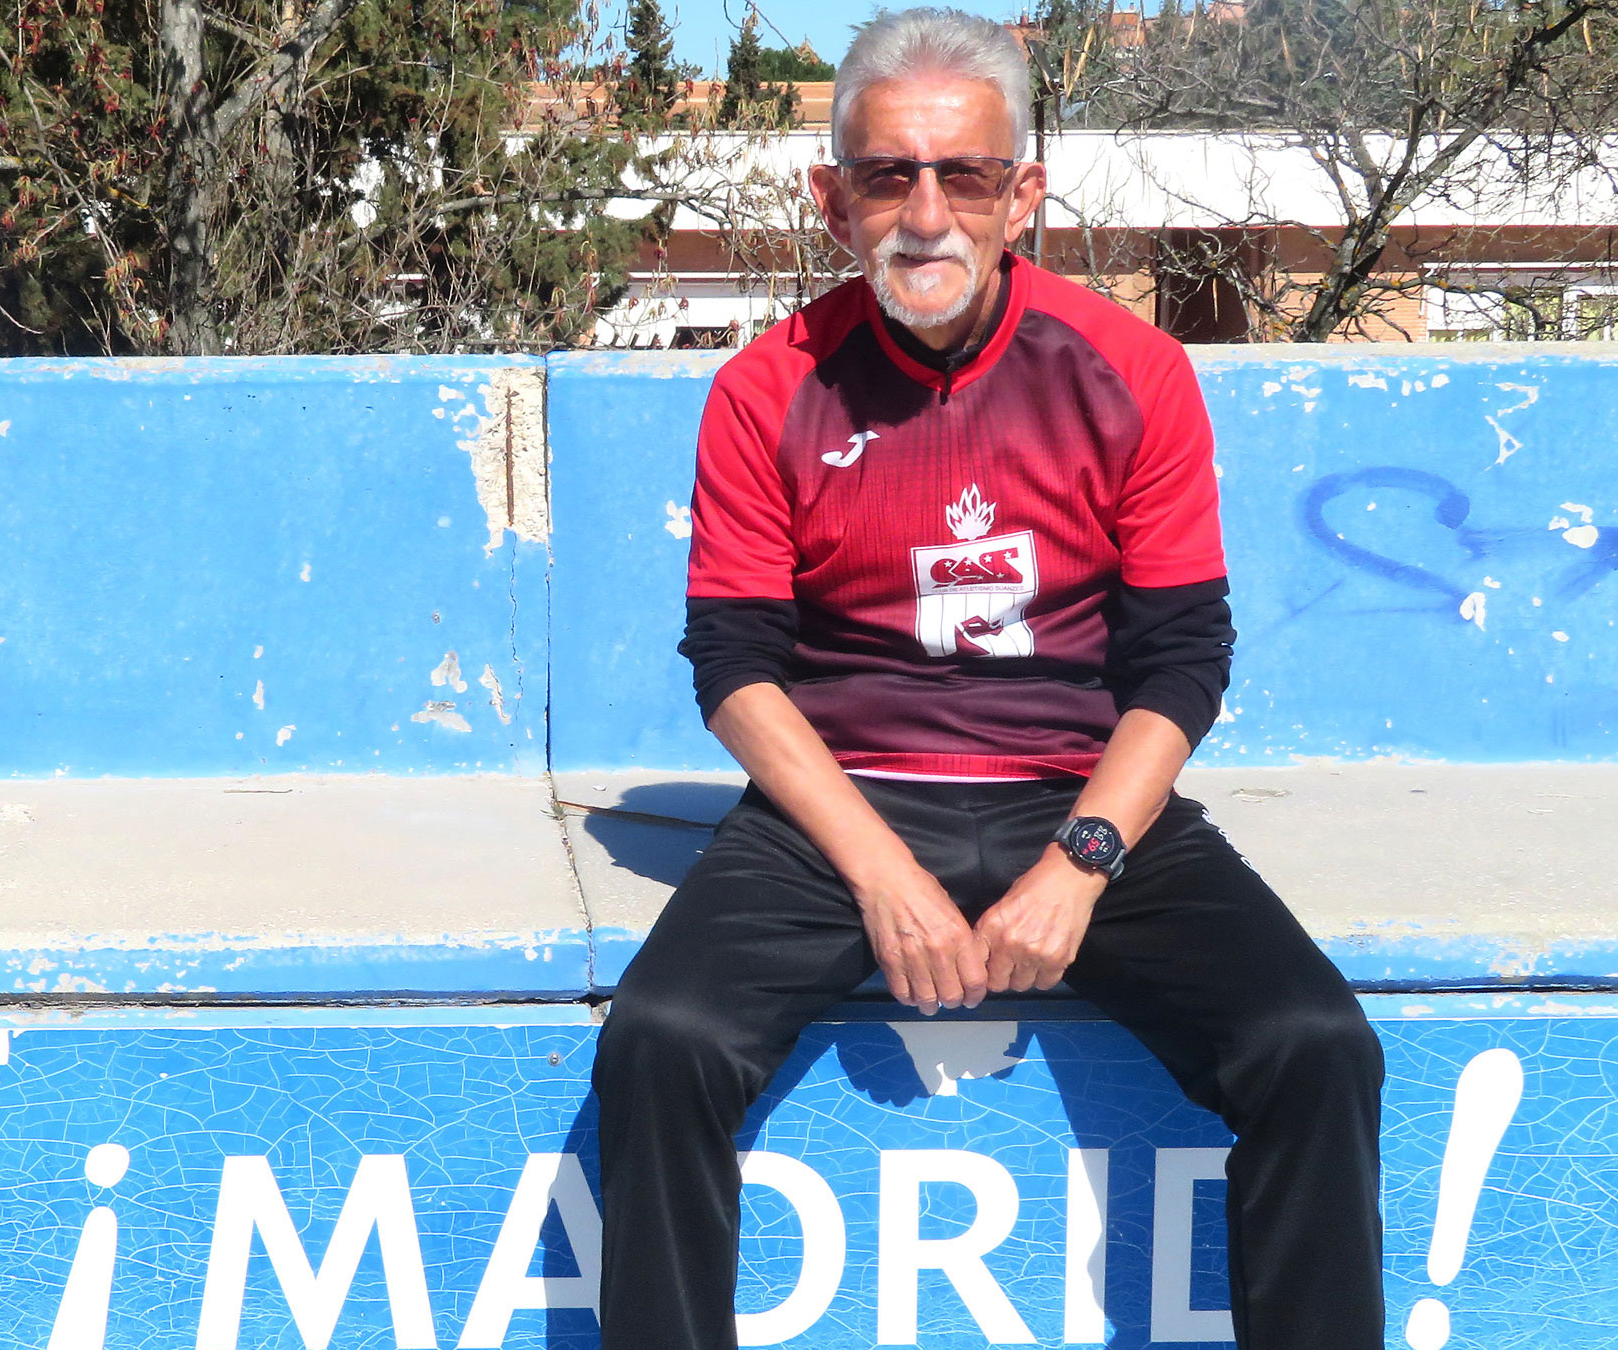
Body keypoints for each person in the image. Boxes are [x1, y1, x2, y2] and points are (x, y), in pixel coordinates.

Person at [589, 9, 1385, 1349]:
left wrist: (1082, 861)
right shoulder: (765, 389)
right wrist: (881, 873)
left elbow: (1183, 658)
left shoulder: (1132, 371)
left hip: (1076, 793)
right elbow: (733, 668)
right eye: (887, 176)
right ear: (832, 200)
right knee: (660, 1041)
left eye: (963, 176)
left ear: (1023, 196)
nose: (925, 214)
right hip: (842, 801)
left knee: (1315, 1045)